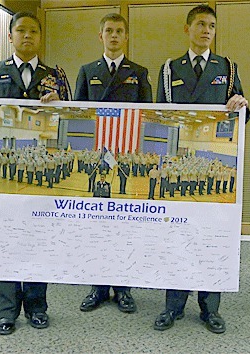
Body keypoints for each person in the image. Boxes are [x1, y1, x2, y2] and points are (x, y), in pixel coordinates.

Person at [0, 12, 70, 336]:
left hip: (38, 181)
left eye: (33, 31)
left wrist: (60, 105)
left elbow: (69, 116)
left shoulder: (55, 76)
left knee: (39, 242)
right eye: (21, 31)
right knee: (6, 241)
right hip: (1, 181)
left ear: (40, 37)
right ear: (10, 36)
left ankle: (37, 306)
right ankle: (6, 310)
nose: (27, 36)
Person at [153, 4, 249, 334]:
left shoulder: (229, 69)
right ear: (187, 29)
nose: (206, 30)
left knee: (212, 236)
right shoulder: (168, 70)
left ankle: (210, 307)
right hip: (178, 162)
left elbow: (243, 118)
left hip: (211, 164)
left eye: (211, 25)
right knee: (175, 234)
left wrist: (240, 105)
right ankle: (173, 305)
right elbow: (160, 118)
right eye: (200, 24)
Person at [74, 13, 152, 315]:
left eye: (120, 31)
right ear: (100, 36)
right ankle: (97, 287)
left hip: (124, 158)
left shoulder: (139, 72)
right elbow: (79, 113)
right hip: (97, 158)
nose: (114, 35)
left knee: (124, 227)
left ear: (127, 37)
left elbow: (146, 118)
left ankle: (123, 288)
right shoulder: (87, 71)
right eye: (109, 31)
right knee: (96, 226)